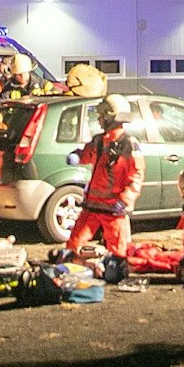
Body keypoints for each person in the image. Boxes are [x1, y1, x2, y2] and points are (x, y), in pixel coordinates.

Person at [64, 94, 143, 256]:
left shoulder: (128, 143)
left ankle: (115, 272)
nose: (99, 120)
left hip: (113, 208)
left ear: (110, 118)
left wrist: (124, 200)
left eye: (101, 116)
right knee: (74, 244)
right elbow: (88, 154)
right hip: (93, 205)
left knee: (118, 251)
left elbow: (136, 175)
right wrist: (78, 156)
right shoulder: (100, 141)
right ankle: (70, 270)